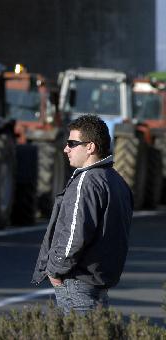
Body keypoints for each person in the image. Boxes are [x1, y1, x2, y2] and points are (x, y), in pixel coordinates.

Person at [31, 114, 133, 314]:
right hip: (100, 281)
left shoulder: (86, 181)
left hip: (78, 283)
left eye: (72, 143)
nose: (66, 149)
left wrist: (54, 269)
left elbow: (73, 234)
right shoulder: (117, 181)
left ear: (90, 147)